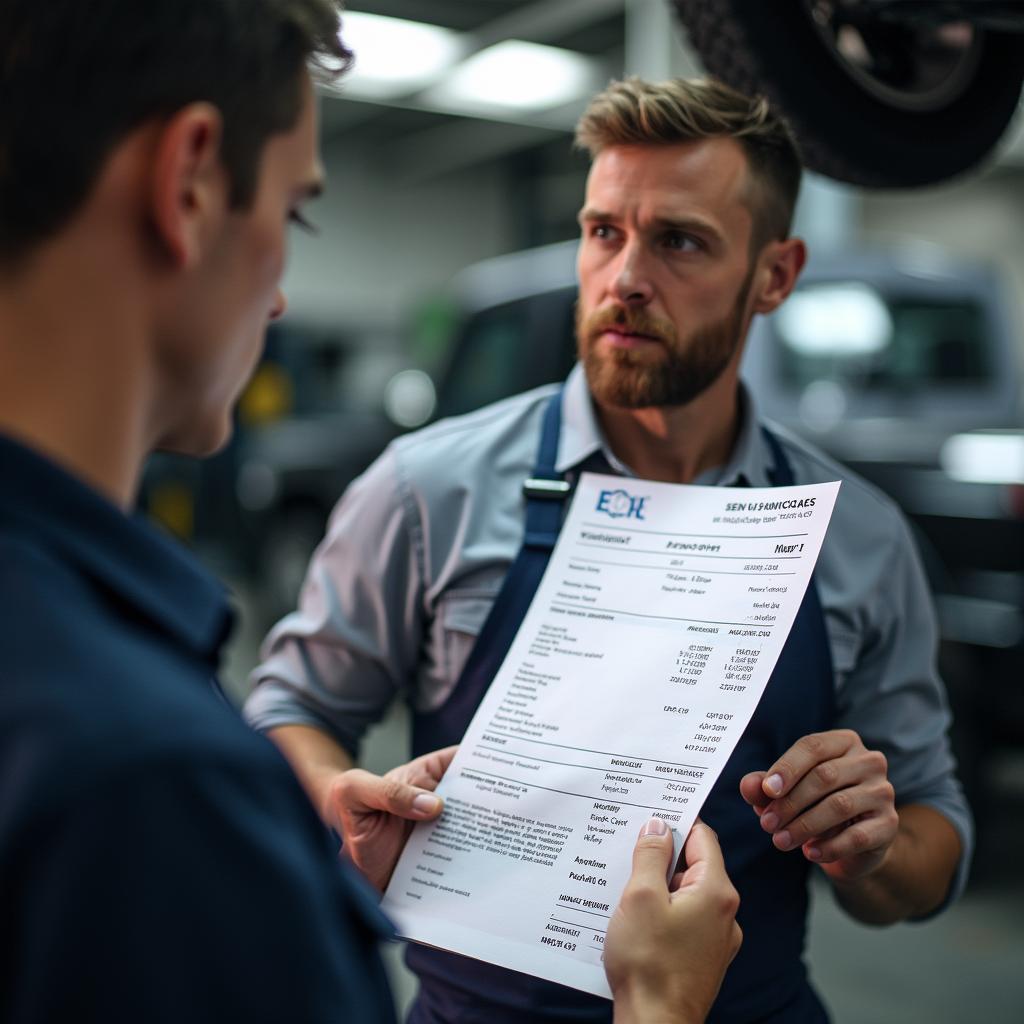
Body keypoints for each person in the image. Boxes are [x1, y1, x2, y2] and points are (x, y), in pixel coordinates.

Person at [0, 4, 741, 1023]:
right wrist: (658, 1005)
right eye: (294, 213)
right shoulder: (149, 780)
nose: (280, 301)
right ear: (189, 182)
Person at [246, 76, 974, 1023]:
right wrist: (335, 793)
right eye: (603, 232)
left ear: (775, 275)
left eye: (678, 241)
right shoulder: (430, 489)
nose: (625, 276)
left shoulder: (857, 538)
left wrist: (876, 850)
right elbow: (290, 704)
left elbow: (933, 836)